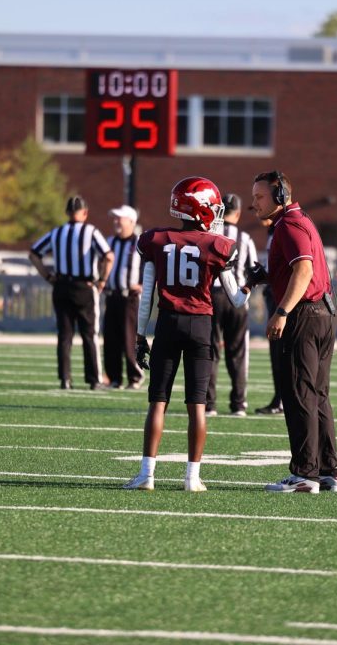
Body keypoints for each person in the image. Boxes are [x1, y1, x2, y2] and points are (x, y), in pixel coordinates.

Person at [122, 177, 250, 492]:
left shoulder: (156, 239)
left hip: (168, 324)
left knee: (158, 402)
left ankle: (146, 475)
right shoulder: (219, 246)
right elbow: (236, 299)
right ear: (203, 209)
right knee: (197, 405)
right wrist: (253, 283)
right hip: (201, 327)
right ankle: (192, 478)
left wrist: (140, 337)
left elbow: (147, 295)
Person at [250, 170, 337, 493]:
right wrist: (264, 276)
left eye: (260, 197)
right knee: (317, 396)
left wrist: (282, 311)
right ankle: (328, 470)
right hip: (323, 314)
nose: (255, 203)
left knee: (300, 394)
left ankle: (305, 473)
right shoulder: (299, 221)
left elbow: (304, 270)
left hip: (304, 315)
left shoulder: (288, 225)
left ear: (279, 196)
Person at [30, 196, 114, 390]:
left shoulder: (57, 232)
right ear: (85, 213)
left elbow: (34, 254)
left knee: (65, 335)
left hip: (61, 286)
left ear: (67, 213)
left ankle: (65, 379)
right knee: (89, 335)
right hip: (84, 287)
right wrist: (102, 280)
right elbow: (108, 256)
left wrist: (48, 276)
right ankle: (94, 380)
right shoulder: (90, 231)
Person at [207, 193, 258, 417]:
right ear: (237, 213)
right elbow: (254, 270)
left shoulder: (209, 236)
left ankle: (209, 405)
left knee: (210, 352)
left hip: (212, 298)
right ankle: (238, 404)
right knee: (237, 352)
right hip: (236, 298)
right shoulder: (244, 238)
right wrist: (245, 291)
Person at [103, 204, 144, 389]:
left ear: (131, 222)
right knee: (110, 339)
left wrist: (143, 284)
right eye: (115, 218)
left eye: (120, 218)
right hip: (112, 296)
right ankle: (114, 378)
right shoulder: (109, 242)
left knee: (129, 339)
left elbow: (153, 267)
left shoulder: (140, 243)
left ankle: (135, 376)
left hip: (130, 298)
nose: (116, 222)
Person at [253, 216, 284, 415]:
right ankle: (279, 398)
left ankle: (282, 399)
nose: (257, 210)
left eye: (260, 200)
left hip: (281, 299)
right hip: (273, 295)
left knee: (281, 350)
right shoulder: (273, 232)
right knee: (275, 350)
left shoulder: (283, 231)